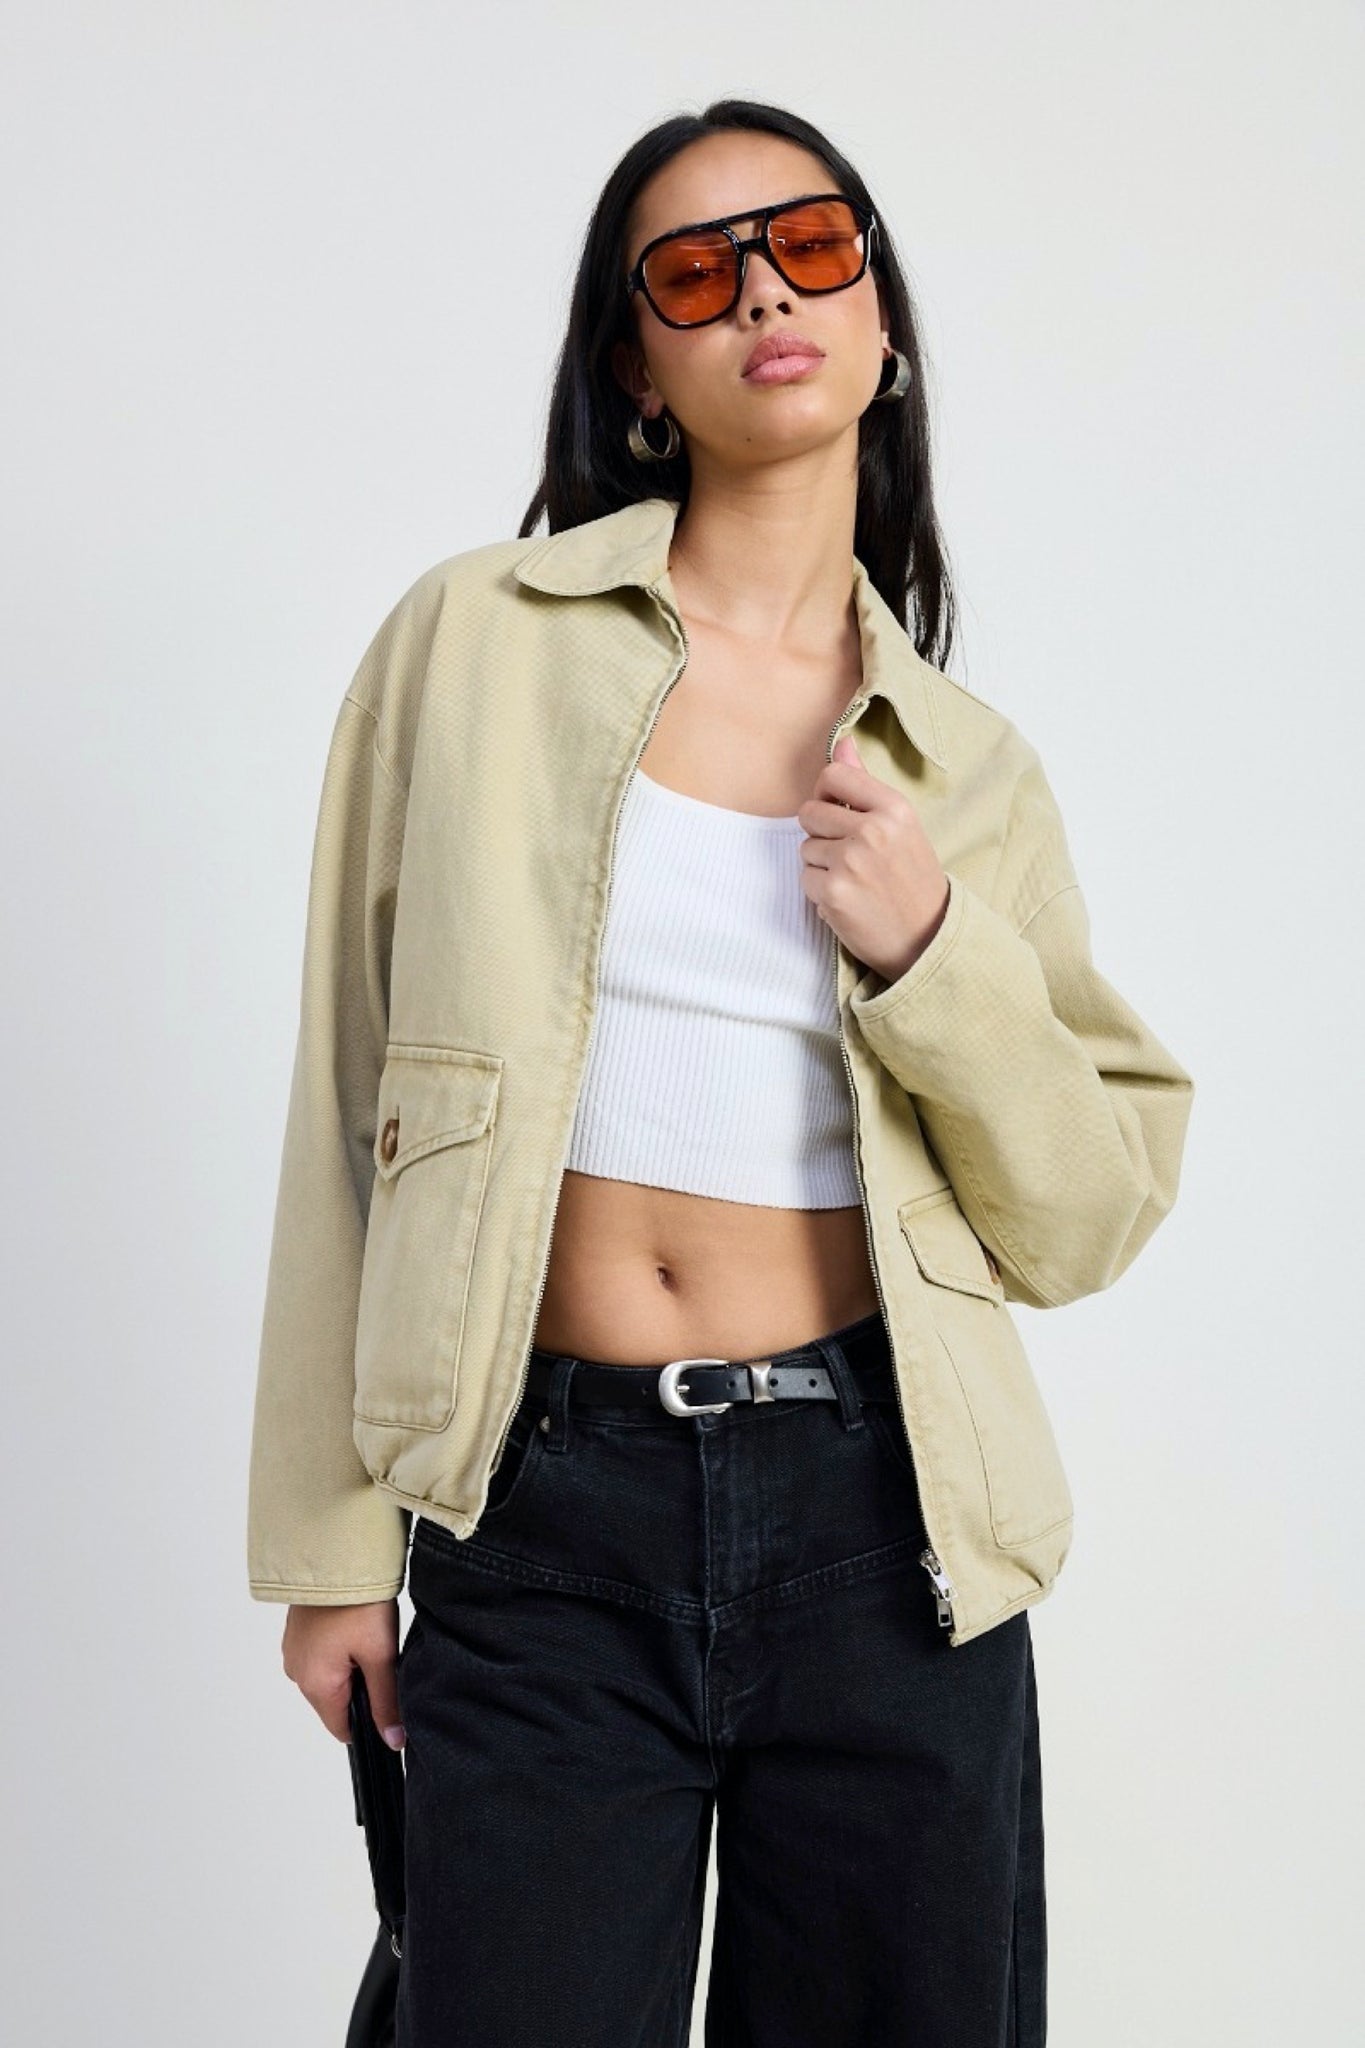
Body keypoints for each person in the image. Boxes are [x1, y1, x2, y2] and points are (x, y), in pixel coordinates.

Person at [247, 97, 1194, 2048]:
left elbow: (1084, 1216)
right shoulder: (473, 646)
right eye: (694, 271)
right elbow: (347, 1105)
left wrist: (931, 952)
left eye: (808, 245)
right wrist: (329, 1548)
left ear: (877, 318)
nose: (762, 291)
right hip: (540, 1513)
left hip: (886, 1526)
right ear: (637, 367)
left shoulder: (962, 768)